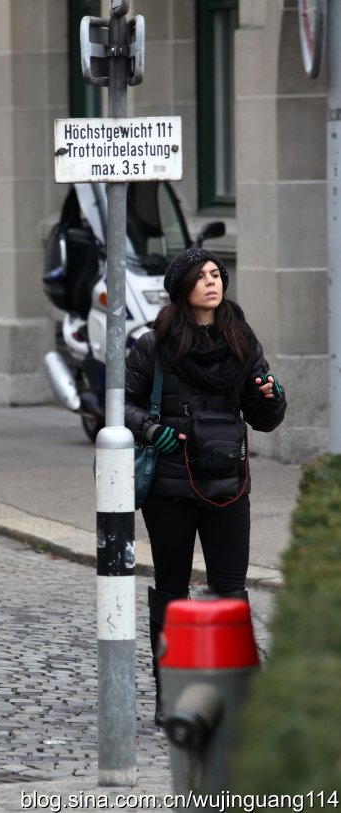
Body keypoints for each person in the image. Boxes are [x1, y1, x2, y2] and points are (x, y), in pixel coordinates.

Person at [125, 247, 287, 727]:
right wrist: (151, 430)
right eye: (201, 277)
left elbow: (264, 418)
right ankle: (172, 696)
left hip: (228, 484)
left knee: (230, 591)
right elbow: (123, 406)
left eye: (217, 274)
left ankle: (233, 697)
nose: (212, 282)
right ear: (183, 288)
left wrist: (272, 396)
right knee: (173, 591)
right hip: (170, 487)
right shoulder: (154, 344)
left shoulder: (241, 339)